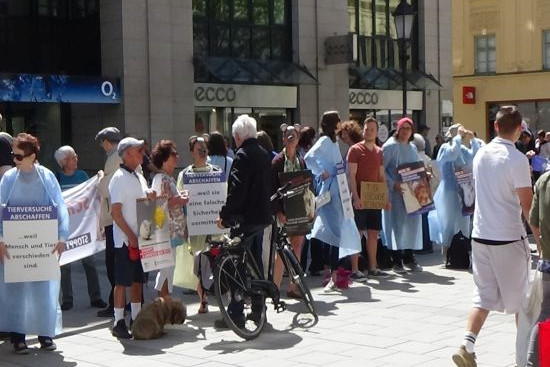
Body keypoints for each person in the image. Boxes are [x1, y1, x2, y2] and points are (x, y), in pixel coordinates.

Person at [451, 106, 536, 367]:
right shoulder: (517, 159)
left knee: (483, 296)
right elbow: (527, 205)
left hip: (481, 235)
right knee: (523, 300)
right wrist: (541, 240)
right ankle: (523, 359)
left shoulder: (481, 154)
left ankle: (467, 344)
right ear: (520, 129)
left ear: (496, 127)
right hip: (508, 237)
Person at [0, 133, 69, 354]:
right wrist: (0, 240)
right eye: (13, 155)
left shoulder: (47, 177)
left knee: (43, 291)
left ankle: (45, 334)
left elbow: (60, 206)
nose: (15, 159)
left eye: (19, 156)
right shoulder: (9, 178)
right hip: (15, 247)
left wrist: (62, 237)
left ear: (32, 156)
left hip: (42, 246)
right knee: (16, 291)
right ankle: (18, 336)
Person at [217, 114, 272, 324]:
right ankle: (259, 310)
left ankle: (236, 312)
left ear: (239, 136)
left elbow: (237, 191)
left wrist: (224, 215)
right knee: (255, 262)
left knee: (236, 265)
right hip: (262, 216)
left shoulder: (242, 155)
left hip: (246, 219)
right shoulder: (263, 153)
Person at [304, 111, 361, 292]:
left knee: (336, 234)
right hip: (333, 192)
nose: (340, 124)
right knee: (334, 235)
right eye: (338, 121)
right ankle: (334, 275)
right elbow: (308, 158)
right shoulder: (325, 141)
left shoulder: (333, 141)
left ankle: (335, 274)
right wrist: (322, 171)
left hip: (339, 190)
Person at [109, 137, 154, 339]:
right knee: (122, 281)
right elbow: (115, 212)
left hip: (139, 238)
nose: (142, 154)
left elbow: (144, 201)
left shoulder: (138, 176)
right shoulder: (118, 178)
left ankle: (136, 318)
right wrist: (130, 236)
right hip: (125, 241)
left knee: (137, 280)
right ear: (127, 154)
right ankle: (118, 321)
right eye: (138, 150)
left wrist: (151, 195)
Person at [54, 145, 106, 311]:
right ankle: (67, 299)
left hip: (83, 227)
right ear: (63, 162)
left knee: (89, 262)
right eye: (72, 158)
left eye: (76, 157)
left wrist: (99, 180)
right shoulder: (57, 179)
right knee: (65, 265)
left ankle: (96, 297)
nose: (76, 160)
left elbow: (92, 194)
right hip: (65, 229)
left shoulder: (82, 175)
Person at [176, 135, 222, 314]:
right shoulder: (185, 175)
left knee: (214, 262)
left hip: (214, 226)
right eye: (199, 150)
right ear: (192, 153)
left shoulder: (216, 172)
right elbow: (180, 200)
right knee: (196, 263)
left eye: (205, 149)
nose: (203, 152)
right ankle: (202, 298)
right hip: (195, 226)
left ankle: (216, 292)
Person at [347, 116, 390, 280]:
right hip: (360, 200)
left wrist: (385, 198)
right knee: (357, 233)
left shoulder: (379, 152)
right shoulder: (355, 150)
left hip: (374, 199)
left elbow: (381, 176)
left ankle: (373, 267)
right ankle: (355, 269)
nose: (369, 132)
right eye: (366, 129)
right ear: (363, 131)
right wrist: (356, 198)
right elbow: (352, 175)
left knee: (373, 234)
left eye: (372, 129)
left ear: (377, 132)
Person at [428, 124, 480, 255]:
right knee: (448, 222)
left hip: (463, 190)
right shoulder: (445, 148)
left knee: (464, 221)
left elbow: (475, 155)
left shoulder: (461, 148)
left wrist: (473, 140)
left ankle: (462, 249)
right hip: (449, 191)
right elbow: (452, 154)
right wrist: (458, 137)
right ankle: (446, 252)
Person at [381, 117, 423, 273]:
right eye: (403, 128)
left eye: (409, 128)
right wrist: (393, 184)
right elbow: (381, 169)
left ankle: (409, 256)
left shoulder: (412, 147)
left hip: (412, 193)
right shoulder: (390, 147)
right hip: (396, 194)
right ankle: (396, 259)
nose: (406, 131)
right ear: (398, 129)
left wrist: (424, 175)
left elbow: (417, 166)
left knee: (412, 224)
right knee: (396, 225)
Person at [271, 123, 307, 298]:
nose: (291, 137)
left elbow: (306, 185)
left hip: (298, 210)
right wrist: (278, 212)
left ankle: (293, 286)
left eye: (294, 134)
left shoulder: (301, 160)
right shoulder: (277, 161)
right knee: (282, 250)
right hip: (284, 212)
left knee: (297, 246)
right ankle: (275, 289)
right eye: (288, 135)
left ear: (299, 138)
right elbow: (271, 189)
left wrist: (309, 208)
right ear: (284, 139)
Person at [151, 140, 189, 299]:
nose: (177, 157)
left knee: (169, 266)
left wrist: (180, 198)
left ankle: (164, 301)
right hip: (166, 230)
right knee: (167, 266)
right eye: (173, 154)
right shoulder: (161, 179)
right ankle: (162, 299)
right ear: (164, 158)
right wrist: (179, 200)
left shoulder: (167, 178)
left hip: (172, 230)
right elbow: (159, 204)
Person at [95, 127, 122, 318]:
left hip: (114, 217)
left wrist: (99, 179)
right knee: (119, 261)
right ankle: (122, 302)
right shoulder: (120, 155)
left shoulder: (114, 158)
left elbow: (107, 189)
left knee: (113, 263)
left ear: (106, 141)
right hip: (119, 216)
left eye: (102, 142)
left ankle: (117, 303)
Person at [527, 168, 550, 367]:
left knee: (544, 316)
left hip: (548, 260)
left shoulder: (544, 180)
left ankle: (533, 363)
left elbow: (533, 220)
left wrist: (542, 246)